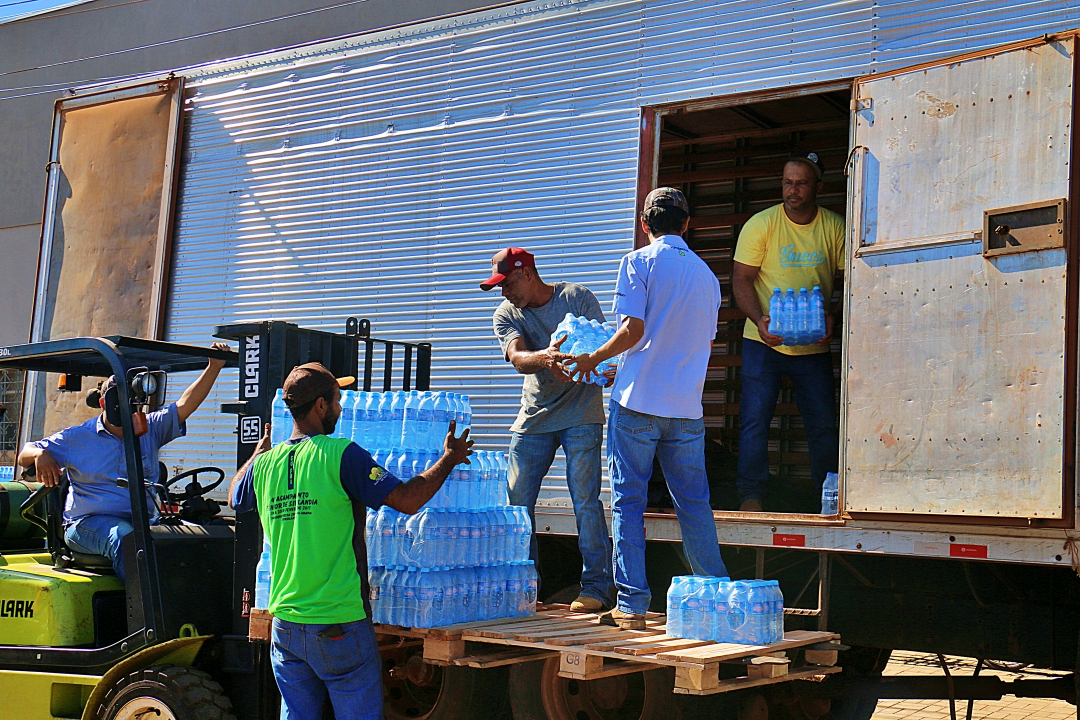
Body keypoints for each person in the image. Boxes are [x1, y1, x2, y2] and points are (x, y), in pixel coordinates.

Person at [229, 362, 473, 720]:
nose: (341, 408)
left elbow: (236, 495)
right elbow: (406, 500)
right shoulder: (341, 454)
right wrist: (449, 459)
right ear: (320, 406)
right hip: (337, 623)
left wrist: (259, 451)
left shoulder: (266, 465)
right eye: (337, 400)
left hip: (286, 626)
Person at [568, 187, 728, 628]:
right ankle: (715, 595)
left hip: (637, 404)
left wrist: (593, 359)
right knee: (694, 504)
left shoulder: (637, 262)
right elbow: (691, 342)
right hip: (686, 409)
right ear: (687, 224)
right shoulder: (708, 277)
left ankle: (633, 605)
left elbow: (634, 330)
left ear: (645, 225)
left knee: (628, 503)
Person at [16, 342, 233, 581]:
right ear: (102, 403)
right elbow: (25, 453)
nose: (123, 407)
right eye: (116, 399)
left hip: (143, 520)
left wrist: (214, 366)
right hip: (87, 525)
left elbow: (184, 406)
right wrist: (40, 454)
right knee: (126, 540)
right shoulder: (78, 438)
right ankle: (144, 615)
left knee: (200, 537)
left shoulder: (150, 428)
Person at [482, 247, 616, 613]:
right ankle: (523, 589)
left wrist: (604, 370)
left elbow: (602, 347)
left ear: (527, 274)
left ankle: (598, 589)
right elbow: (517, 357)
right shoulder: (506, 313)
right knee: (516, 504)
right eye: (499, 287)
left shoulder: (577, 298)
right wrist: (546, 357)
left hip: (581, 414)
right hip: (535, 417)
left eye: (507, 283)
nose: (505, 292)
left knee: (585, 502)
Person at [731, 152, 844, 512]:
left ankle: (826, 499)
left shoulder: (834, 227)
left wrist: (834, 316)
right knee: (754, 421)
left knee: (824, 426)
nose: (792, 190)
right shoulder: (761, 224)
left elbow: (855, 278)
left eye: (801, 183)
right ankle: (751, 496)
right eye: (787, 182)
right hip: (763, 341)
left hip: (813, 344)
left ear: (818, 187)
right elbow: (741, 280)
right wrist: (759, 318)